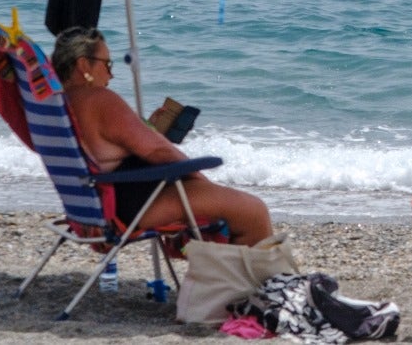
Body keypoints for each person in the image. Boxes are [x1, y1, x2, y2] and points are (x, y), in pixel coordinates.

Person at [52, 26, 273, 245]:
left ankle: (228, 276)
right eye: (107, 64)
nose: (111, 73)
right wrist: (198, 178)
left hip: (92, 209)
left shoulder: (57, 105)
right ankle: (261, 279)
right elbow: (159, 151)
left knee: (231, 207)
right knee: (254, 212)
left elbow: (106, 147)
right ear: (83, 65)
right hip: (137, 204)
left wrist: (149, 129)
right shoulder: (99, 99)